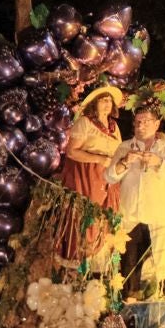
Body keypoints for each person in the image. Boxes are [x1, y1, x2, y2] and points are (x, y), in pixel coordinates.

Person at [105, 103, 165, 299]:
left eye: (146, 122)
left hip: (158, 214)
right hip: (131, 213)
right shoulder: (125, 147)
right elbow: (109, 176)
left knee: (164, 259)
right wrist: (124, 162)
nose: (141, 126)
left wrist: (159, 163)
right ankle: (128, 303)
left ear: (157, 124)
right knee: (129, 262)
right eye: (137, 122)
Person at [61, 85, 124, 258]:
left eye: (109, 100)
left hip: (107, 176)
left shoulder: (114, 127)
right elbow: (72, 151)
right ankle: (78, 259)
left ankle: (99, 263)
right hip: (87, 174)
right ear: (94, 104)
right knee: (87, 217)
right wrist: (99, 159)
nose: (107, 104)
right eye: (103, 100)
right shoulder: (85, 122)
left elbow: (118, 151)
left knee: (106, 217)